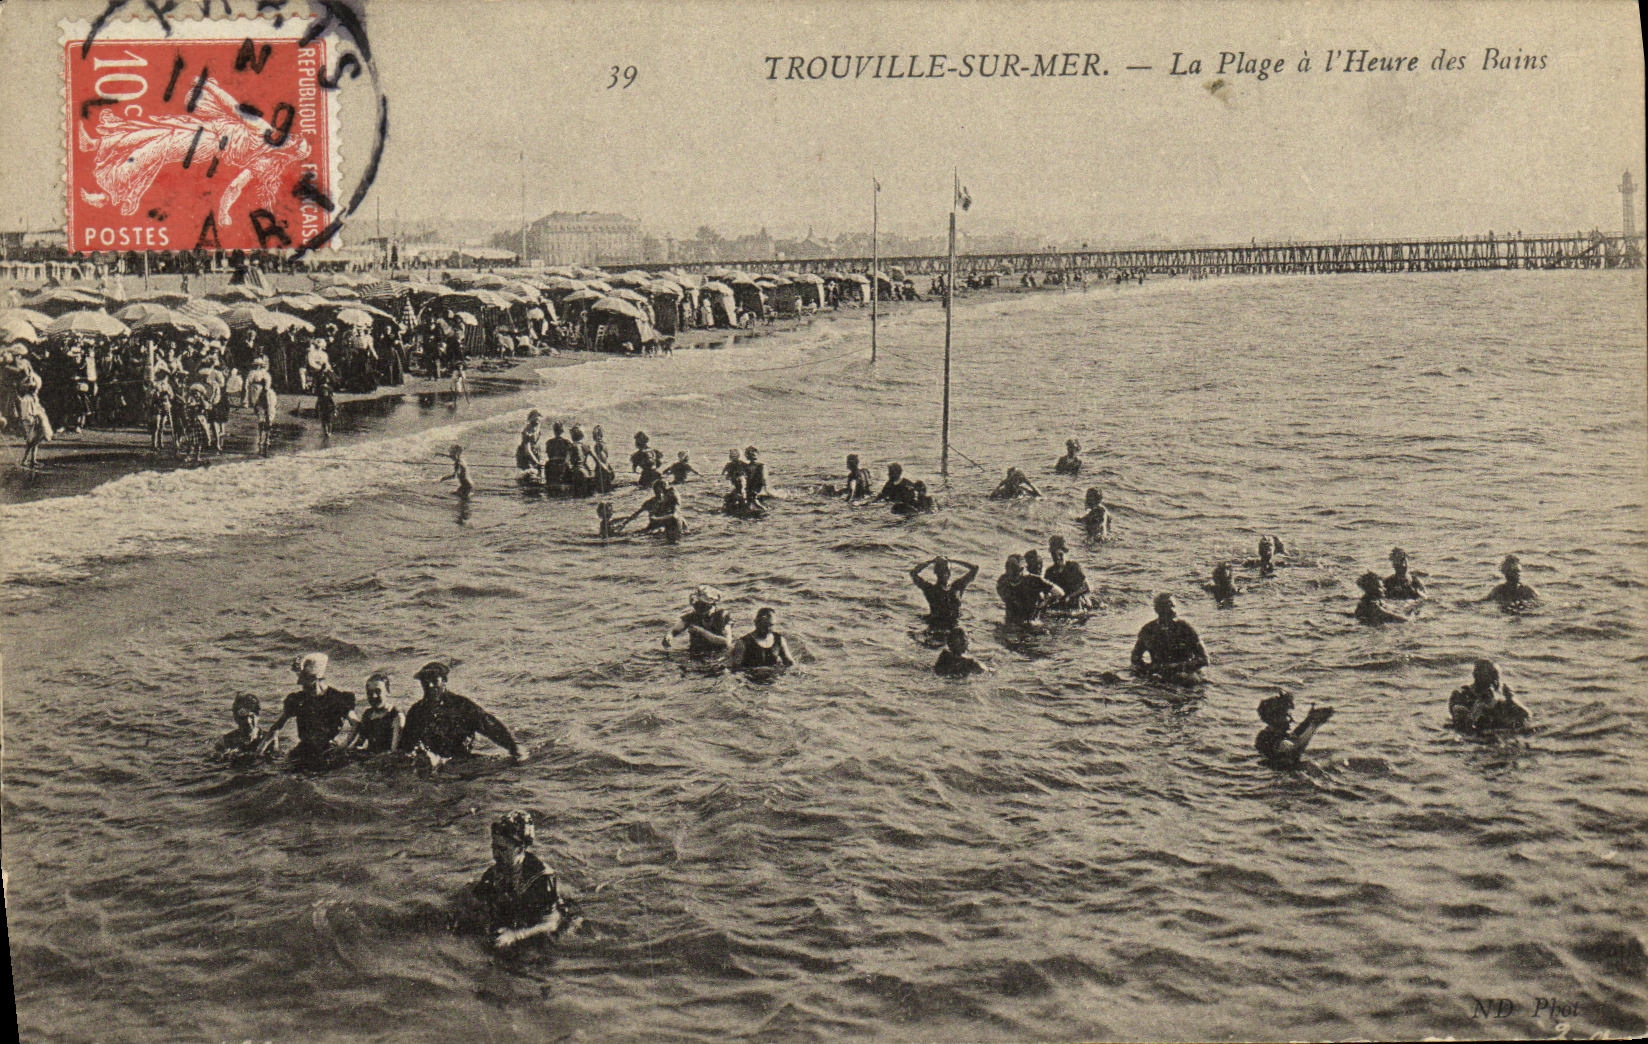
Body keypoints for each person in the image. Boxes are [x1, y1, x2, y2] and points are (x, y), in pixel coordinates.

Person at [473, 811, 575, 950]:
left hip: (554, 921)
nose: (495, 854)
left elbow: (551, 924)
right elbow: (477, 902)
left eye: (502, 849)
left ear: (520, 848)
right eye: (494, 847)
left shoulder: (541, 878)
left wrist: (515, 935)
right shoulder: (493, 874)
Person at [398, 661, 525, 762]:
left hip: (461, 761)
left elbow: (490, 726)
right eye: (425, 682)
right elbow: (406, 746)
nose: (430, 686)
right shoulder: (416, 711)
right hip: (431, 765)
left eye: (434, 681)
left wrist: (513, 748)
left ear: (444, 681)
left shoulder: (462, 706)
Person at [255, 653, 357, 765]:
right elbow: (277, 726)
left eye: (306, 681)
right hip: (304, 749)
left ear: (317, 679)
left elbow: (356, 724)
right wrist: (260, 751)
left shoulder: (338, 698)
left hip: (328, 750)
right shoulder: (298, 699)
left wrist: (343, 746)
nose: (301, 684)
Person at [1130, 594, 1210, 681]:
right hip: (1159, 674)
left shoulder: (1186, 629)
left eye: (1172, 606)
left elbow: (1204, 660)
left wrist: (1179, 667)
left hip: (1184, 674)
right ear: (1157, 610)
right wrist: (1149, 669)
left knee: (1183, 678)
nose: (1171, 610)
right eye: (1165, 606)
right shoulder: (1148, 630)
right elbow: (1135, 659)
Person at [1255, 690, 1334, 768]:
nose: (1290, 719)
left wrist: (1309, 720)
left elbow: (1295, 736)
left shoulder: (1265, 735)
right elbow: (1295, 746)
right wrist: (1313, 724)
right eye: (1286, 715)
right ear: (1275, 718)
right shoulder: (1269, 738)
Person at [1449, 659, 1532, 733]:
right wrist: (1478, 708)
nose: (1495, 682)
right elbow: (1462, 727)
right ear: (1476, 676)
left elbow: (1526, 716)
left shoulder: (1502, 694)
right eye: (1490, 675)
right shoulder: (1462, 695)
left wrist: (1510, 700)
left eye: (1496, 677)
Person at [909, 554, 981, 631]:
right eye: (940, 570)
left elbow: (974, 568)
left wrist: (952, 560)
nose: (943, 573)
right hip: (936, 626)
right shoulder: (930, 589)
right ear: (936, 572)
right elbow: (913, 573)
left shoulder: (956, 587)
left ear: (949, 572)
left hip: (953, 626)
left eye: (945, 570)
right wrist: (932, 561)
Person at [341, 671, 403, 753]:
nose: (374, 696)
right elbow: (360, 742)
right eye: (370, 693)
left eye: (378, 691)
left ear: (387, 690)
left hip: (387, 758)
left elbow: (393, 751)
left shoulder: (396, 716)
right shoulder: (368, 714)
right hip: (371, 756)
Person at [997, 553, 1065, 628]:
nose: (1010, 573)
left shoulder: (1033, 580)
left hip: (1031, 623)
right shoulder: (1003, 580)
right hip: (1011, 621)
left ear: (1021, 569)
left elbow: (1060, 593)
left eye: (1014, 569)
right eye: (1008, 567)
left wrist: (1044, 602)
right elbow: (1003, 595)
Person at [665, 585, 732, 658]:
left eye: (701, 605)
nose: (698, 608)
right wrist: (669, 636)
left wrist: (701, 631)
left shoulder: (722, 616)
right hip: (696, 653)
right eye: (696, 604)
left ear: (710, 604)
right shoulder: (693, 616)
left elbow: (726, 642)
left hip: (717, 653)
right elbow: (675, 630)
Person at [728, 607, 795, 671]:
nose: (768, 629)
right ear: (756, 623)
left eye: (771, 625)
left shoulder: (779, 640)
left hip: (774, 677)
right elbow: (735, 669)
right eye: (765, 625)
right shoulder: (743, 643)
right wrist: (755, 671)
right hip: (749, 678)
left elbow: (790, 664)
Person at [216, 693, 278, 762]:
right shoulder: (227, 741)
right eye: (243, 718)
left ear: (258, 717)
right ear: (236, 718)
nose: (248, 721)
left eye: (251, 717)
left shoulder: (268, 740)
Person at [620, 478, 684, 540]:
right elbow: (636, 514)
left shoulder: (669, 500)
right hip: (654, 526)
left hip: (664, 525)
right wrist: (624, 523)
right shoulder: (650, 502)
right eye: (658, 490)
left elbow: (676, 514)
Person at [1044, 535, 1094, 611]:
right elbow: (1047, 592)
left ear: (1065, 553)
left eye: (1060, 554)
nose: (1058, 558)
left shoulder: (1073, 567)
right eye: (1054, 555)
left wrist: (1070, 596)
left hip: (1077, 600)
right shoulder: (1049, 572)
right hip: (1061, 603)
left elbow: (1087, 587)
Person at [516, 411, 545, 475]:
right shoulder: (527, 432)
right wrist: (537, 462)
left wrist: (539, 459)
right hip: (526, 457)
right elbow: (527, 450)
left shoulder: (537, 430)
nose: (538, 423)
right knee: (529, 473)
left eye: (539, 421)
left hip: (535, 454)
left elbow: (537, 444)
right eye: (535, 420)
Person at [312, 363, 337, 439]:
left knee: (328, 421)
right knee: (324, 421)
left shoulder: (329, 374)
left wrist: (334, 410)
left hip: (327, 406)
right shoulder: (320, 375)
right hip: (324, 405)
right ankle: (326, 432)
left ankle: (328, 432)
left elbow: (332, 402)